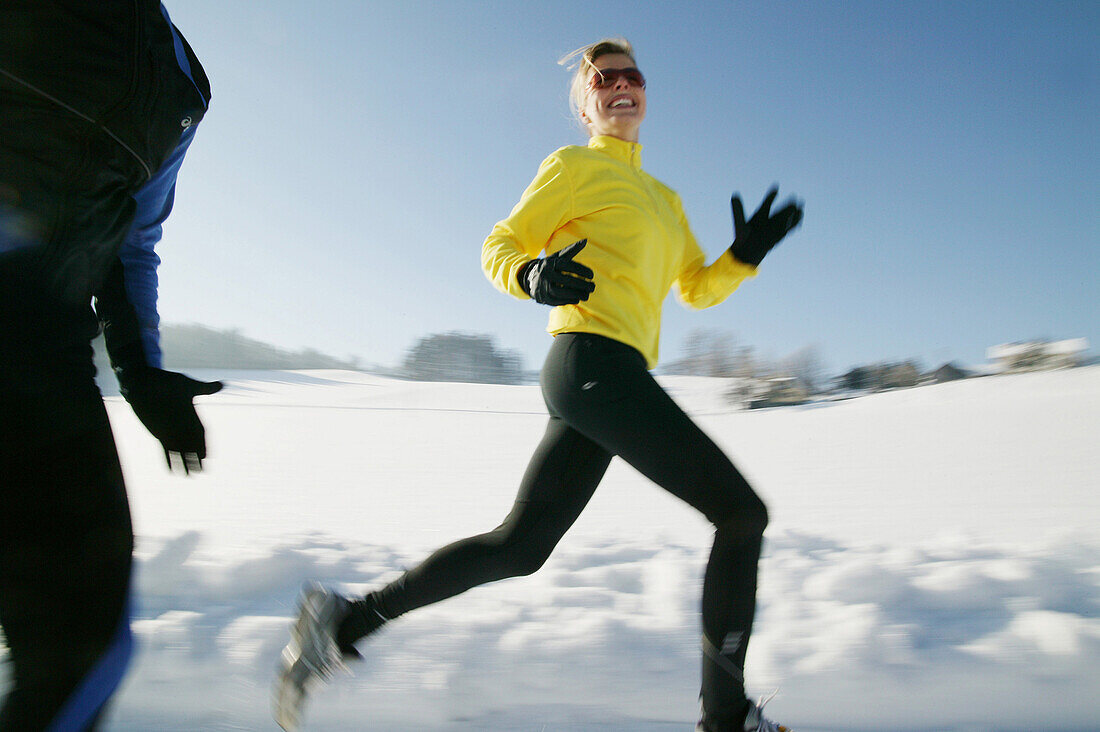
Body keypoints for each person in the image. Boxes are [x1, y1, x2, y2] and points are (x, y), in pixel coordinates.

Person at [275, 38, 803, 732]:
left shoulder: (666, 201)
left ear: (646, 93)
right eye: (602, 79)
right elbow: (503, 242)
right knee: (740, 515)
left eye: (631, 76)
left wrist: (743, 256)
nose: (620, 86)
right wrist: (532, 275)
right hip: (589, 362)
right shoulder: (575, 167)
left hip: (610, 380)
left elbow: (696, 290)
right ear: (585, 106)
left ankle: (342, 622)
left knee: (518, 548)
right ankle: (728, 720)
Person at [0, 2, 222, 728]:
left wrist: (142, 373)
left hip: (38, 348)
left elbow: (133, 241)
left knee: (83, 656)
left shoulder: (185, 84)